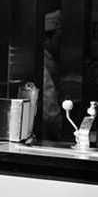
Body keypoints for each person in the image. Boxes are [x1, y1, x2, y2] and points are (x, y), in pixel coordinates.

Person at [42, 9, 63, 140]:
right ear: (46, 38)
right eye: (59, 39)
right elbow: (50, 113)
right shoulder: (42, 63)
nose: (61, 44)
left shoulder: (53, 61)